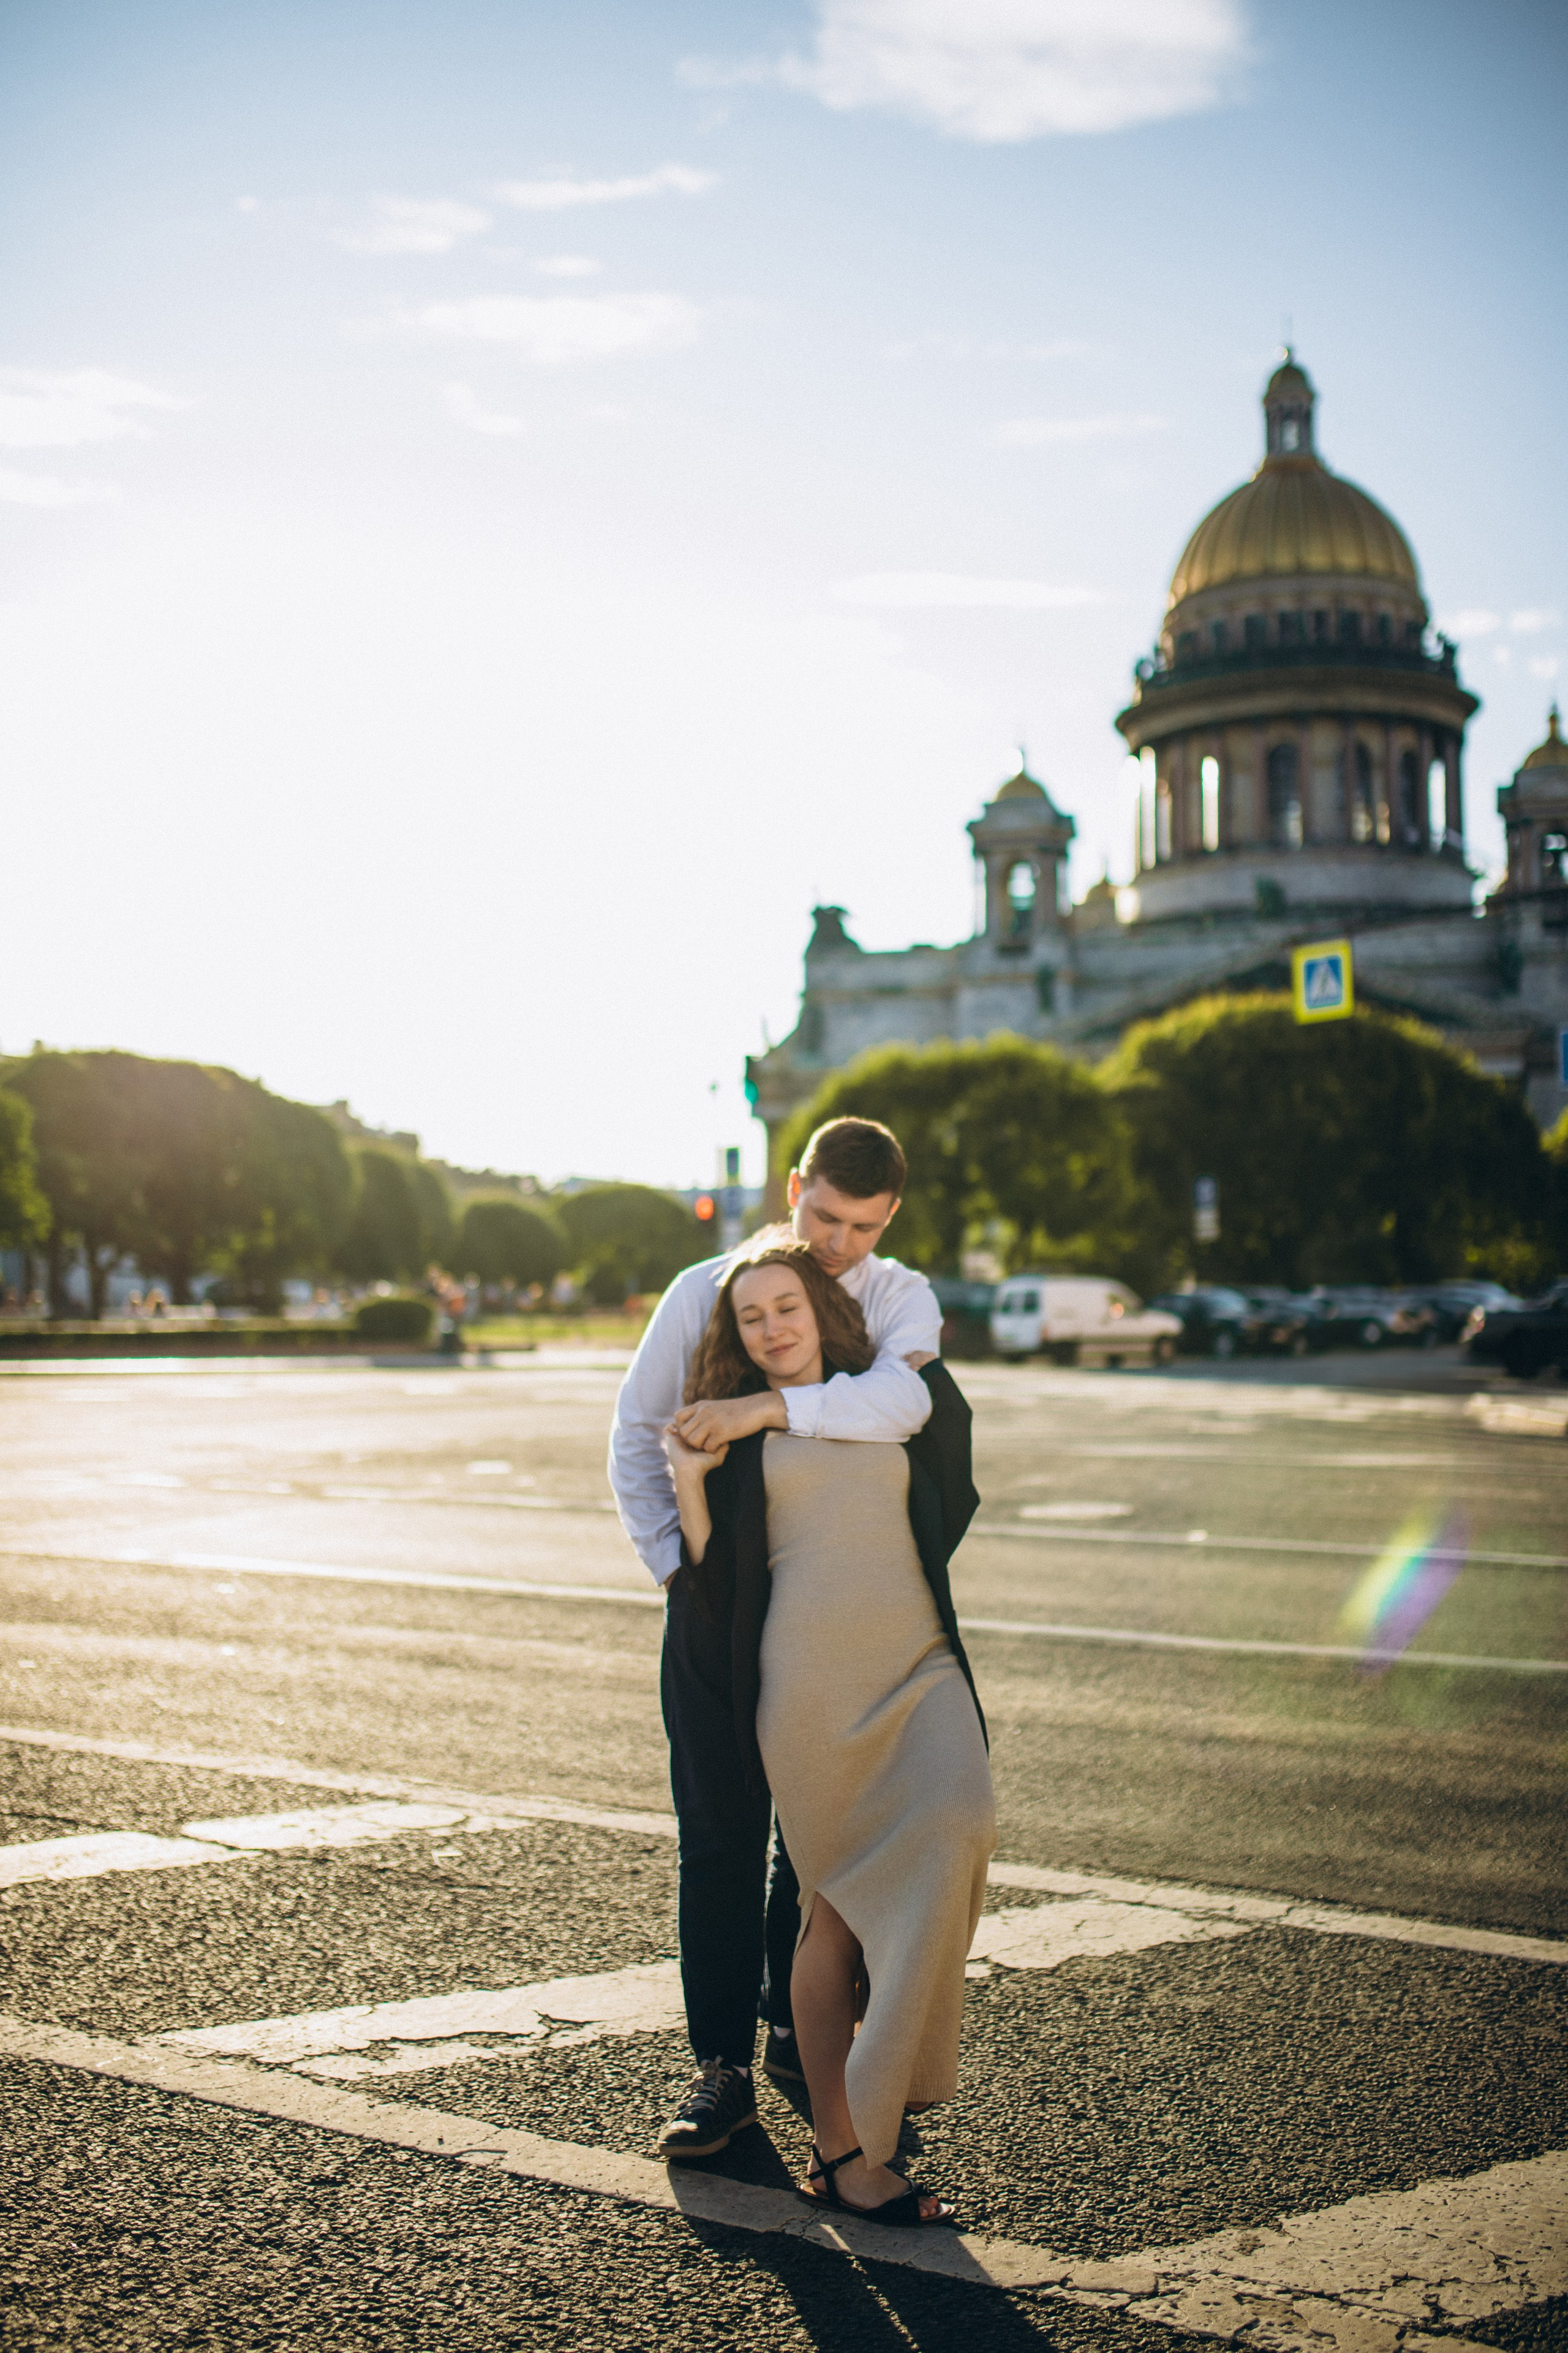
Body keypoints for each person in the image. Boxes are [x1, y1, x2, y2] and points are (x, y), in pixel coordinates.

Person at [608, 1118, 941, 2162]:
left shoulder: (891, 1294)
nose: (837, 1242)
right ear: (792, 1185)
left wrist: (761, 1411)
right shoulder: (708, 1284)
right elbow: (635, 1433)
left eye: (862, 1225)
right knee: (719, 1838)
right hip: (714, 1608)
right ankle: (721, 2069)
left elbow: (905, 1402)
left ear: (887, 1220)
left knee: (818, 1841)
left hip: (829, 1617)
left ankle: (800, 2032)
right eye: (822, 1216)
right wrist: (680, 1578)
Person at [664, 1239, 992, 2224]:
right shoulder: (732, 1440)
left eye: (786, 1306)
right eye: (751, 1316)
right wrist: (687, 1482)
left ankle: (892, 2083)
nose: (771, 1326)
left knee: (960, 1822)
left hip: (921, 1664)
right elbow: (714, 1583)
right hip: (806, 1691)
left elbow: (951, 1452)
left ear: (821, 1308)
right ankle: (848, 2151)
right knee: (831, 1905)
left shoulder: (884, 1394)